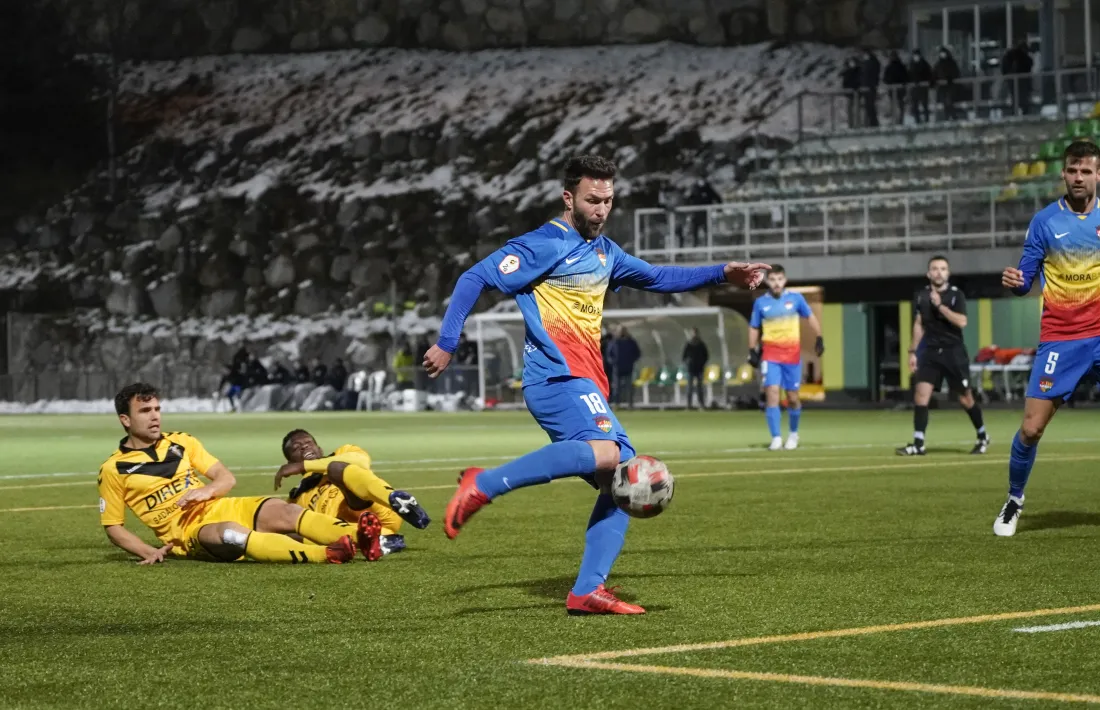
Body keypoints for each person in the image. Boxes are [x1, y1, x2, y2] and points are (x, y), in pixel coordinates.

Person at [422, 155, 768, 614]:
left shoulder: (606, 253)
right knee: (611, 456)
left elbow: (659, 277)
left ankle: (587, 590)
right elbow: (475, 278)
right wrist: (447, 342)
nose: (602, 209)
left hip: (586, 383)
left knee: (621, 478)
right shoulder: (543, 244)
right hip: (554, 377)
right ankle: (484, 483)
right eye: (593, 200)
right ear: (569, 198)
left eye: (608, 200)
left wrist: (722, 273)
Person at [97, 382, 371, 564]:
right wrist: (149, 551)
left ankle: (364, 537)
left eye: (157, 409)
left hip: (221, 506)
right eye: (145, 411)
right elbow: (113, 527)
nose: (155, 416)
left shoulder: (181, 442)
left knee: (283, 509)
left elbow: (226, 478)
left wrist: (207, 490)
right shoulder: (114, 469)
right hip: (189, 531)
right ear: (126, 419)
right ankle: (326, 554)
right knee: (231, 534)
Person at [993, 140, 1100, 536]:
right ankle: (1014, 500)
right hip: (1061, 338)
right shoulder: (1044, 221)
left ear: (1097, 174)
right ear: (1063, 174)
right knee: (1032, 428)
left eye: (1085, 170)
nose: (1078, 177)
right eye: (1072, 170)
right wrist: (1016, 282)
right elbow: (1025, 279)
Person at [275, 430, 431, 559]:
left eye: (308, 443)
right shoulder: (299, 495)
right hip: (355, 528)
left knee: (336, 469)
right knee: (302, 529)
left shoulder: (343, 452)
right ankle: (384, 541)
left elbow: (361, 462)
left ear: (319, 449)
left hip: (378, 508)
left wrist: (305, 465)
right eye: (296, 448)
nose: (304, 447)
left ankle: (395, 499)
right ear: (290, 463)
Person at [896, 256, 989, 457]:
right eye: (935, 269)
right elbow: (919, 323)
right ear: (928, 274)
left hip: (953, 352)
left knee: (965, 399)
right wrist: (912, 351)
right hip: (930, 352)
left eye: (943, 268)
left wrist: (940, 306)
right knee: (921, 395)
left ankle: (982, 436)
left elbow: (962, 322)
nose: (939, 272)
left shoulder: (956, 296)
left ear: (948, 273)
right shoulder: (921, 296)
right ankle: (918, 443)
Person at [747, 265, 824, 451]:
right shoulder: (760, 303)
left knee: (792, 397)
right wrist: (752, 350)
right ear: (767, 281)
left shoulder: (796, 299)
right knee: (772, 394)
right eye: (772, 280)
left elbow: (810, 317)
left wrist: (819, 337)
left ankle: (793, 434)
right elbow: (754, 326)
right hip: (770, 356)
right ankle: (775, 438)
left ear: (785, 280)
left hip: (791, 356)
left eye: (779, 279)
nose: (776, 283)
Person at [608, 325, 641, 408]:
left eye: (623, 330)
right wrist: (613, 362)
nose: (622, 332)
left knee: (629, 387)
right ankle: (617, 404)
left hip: (628, 368)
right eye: (620, 331)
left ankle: (630, 404)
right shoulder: (614, 342)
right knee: (617, 388)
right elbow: (609, 354)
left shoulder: (631, 342)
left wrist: (631, 361)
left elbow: (637, 353)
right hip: (617, 369)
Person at [682, 327, 709, 409]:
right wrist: (687, 363)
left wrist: (702, 363)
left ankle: (701, 404)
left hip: (699, 369)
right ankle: (689, 405)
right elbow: (684, 356)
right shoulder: (689, 344)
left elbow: (706, 356)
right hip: (690, 369)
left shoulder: (701, 344)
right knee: (689, 388)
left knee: (699, 388)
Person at [883, 50, 910, 125]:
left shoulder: (900, 67)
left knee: (899, 107)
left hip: (899, 90)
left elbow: (906, 78)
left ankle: (899, 121)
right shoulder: (891, 67)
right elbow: (885, 79)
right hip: (893, 90)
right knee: (895, 107)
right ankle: (896, 121)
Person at [934, 47, 961, 121]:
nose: (942, 55)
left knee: (949, 101)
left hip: (950, 86)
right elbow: (934, 74)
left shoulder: (952, 63)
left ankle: (953, 116)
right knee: (945, 103)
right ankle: (948, 117)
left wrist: (950, 78)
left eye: (944, 53)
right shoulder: (938, 64)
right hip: (942, 88)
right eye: (941, 53)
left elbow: (956, 73)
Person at [909, 49, 933, 124]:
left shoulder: (924, 64)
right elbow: (909, 74)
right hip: (914, 88)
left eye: (917, 55)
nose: (916, 57)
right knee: (915, 105)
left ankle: (926, 120)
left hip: (923, 87)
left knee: (924, 105)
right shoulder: (911, 64)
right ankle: (917, 121)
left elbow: (929, 74)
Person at [861, 48, 881, 128]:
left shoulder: (872, 63)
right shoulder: (866, 63)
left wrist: (870, 84)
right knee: (869, 106)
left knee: (870, 106)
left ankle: (874, 123)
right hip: (867, 87)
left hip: (870, 87)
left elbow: (872, 75)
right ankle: (871, 123)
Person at [841, 56, 862, 129]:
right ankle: (852, 125)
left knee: (856, 110)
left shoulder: (856, 71)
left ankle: (856, 125)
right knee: (851, 110)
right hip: (850, 93)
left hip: (855, 93)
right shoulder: (849, 71)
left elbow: (855, 81)